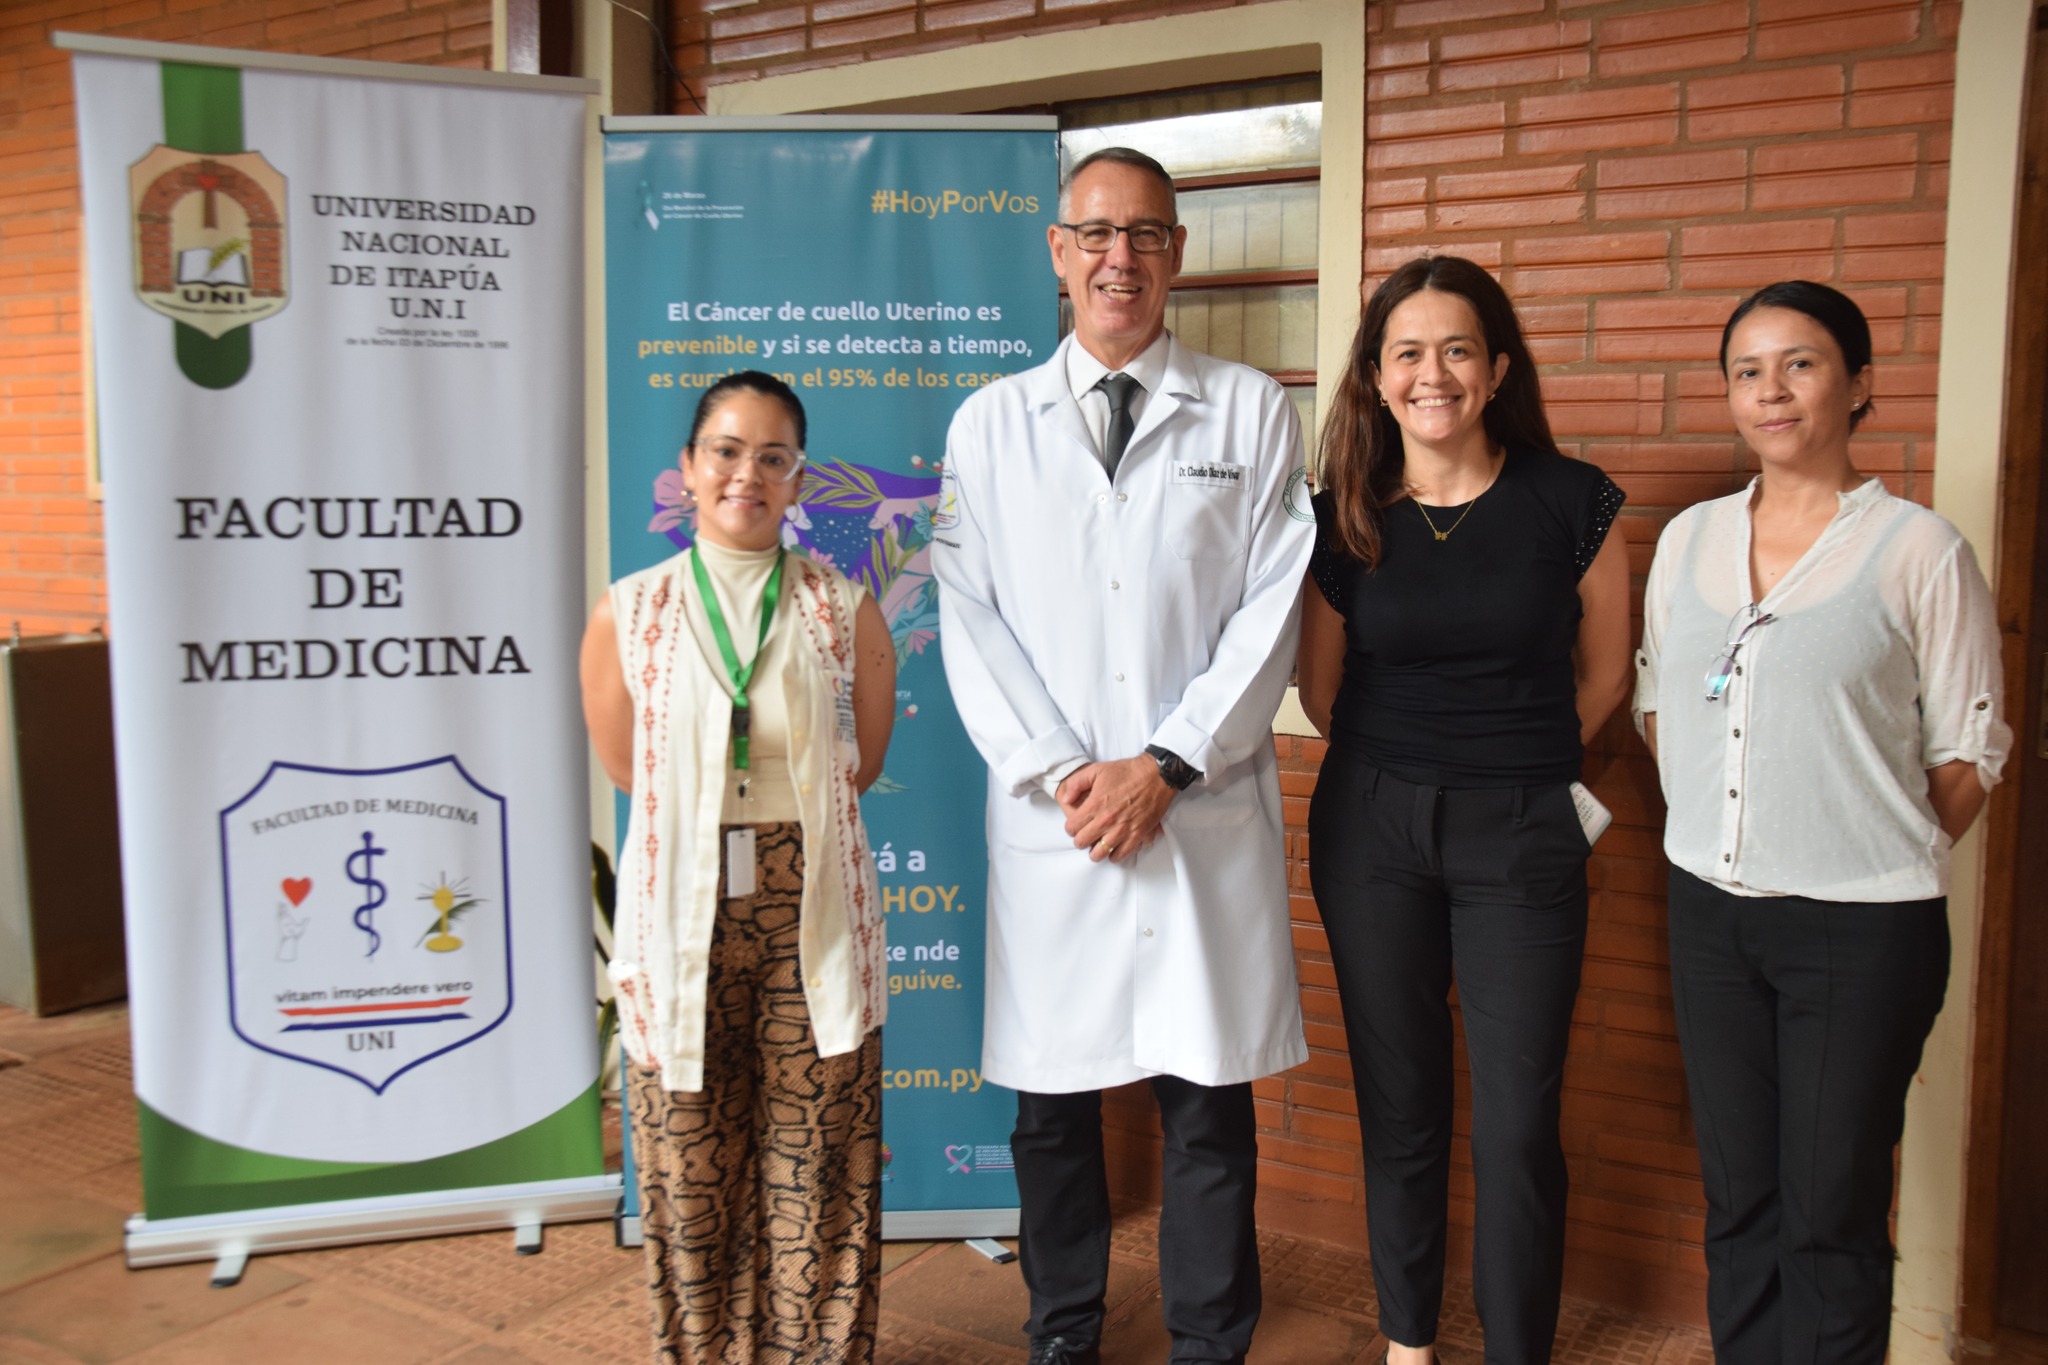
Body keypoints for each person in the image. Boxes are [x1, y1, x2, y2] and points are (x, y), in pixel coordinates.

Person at [930, 147, 1314, 1365]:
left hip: (1195, 809)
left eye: (1146, 233)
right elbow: (967, 614)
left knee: (1205, 1101)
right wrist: (1067, 770)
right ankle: (1063, 1332)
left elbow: (1271, 608)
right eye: (1095, 234)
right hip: (1057, 821)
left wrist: (1165, 764)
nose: (1119, 258)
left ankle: (1209, 1339)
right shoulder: (990, 424)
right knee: (1051, 1109)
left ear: (1176, 254)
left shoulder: (1248, 410)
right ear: (1058, 252)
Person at [1635, 281, 2009, 1365]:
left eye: (1799, 364)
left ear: (1856, 386)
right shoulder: (1690, 540)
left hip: (1860, 928)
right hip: (1709, 916)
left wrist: (1873, 848)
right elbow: (1659, 704)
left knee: (1829, 1208)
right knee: (1738, 1195)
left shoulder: (1916, 549)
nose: (1772, 391)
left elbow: (1972, 747)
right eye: (1746, 371)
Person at [1296, 254, 1633, 1365]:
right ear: (1374, 375)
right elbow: (1321, 691)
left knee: (1519, 1121)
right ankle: (1408, 1342)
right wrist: (1414, 766)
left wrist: (1511, 758)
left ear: (1496, 369)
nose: (1430, 374)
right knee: (1399, 1103)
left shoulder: (1572, 500)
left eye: (1455, 350)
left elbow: (1606, 675)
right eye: (1406, 352)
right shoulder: (1341, 514)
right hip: (1370, 829)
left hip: (1521, 829)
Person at [580, 371, 898, 1365]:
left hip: (813, 906)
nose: (745, 474)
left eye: (772, 457)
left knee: (820, 1163)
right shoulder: (629, 612)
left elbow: (860, 762)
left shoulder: (843, 609)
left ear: (798, 479)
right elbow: (627, 766)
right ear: (687, 467)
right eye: (725, 450)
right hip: (681, 905)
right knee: (690, 1167)